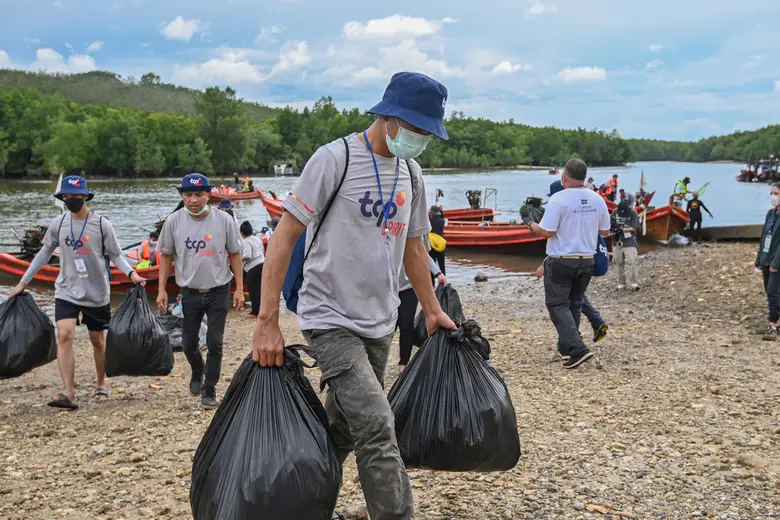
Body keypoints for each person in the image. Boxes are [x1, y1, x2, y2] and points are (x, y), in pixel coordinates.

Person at [251, 71, 457, 520]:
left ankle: (298, 501)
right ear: (388, 116)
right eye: (415, 128)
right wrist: (266, 321)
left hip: (381, 320)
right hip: (329, 317)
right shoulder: (335, 159)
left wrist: (432, 310)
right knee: (378, 425)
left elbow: (415, 249)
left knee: (344, 427)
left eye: (427, 132)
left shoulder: (412, 173)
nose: (420, 138)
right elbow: (283, 238)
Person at [8, 176, 146, 410]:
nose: (71, 199)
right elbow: (44, 252)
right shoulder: (59, 223)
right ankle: (69, 393)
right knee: (64, 335)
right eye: (67, 196)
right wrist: (23, 282)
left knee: (97, 340)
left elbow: (115, 254)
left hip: (96, 292)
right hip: (66, 290)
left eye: (75, 196)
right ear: (62, 197)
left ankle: (101, 384)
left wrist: (132, 274)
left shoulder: (101, 225)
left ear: (85, 196)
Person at [156, 173, 245, 410]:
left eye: (198, 194)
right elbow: (166, 256)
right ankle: (198, 369)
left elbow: (235, 255)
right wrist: (161, 289)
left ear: (208, 195)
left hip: (218, 290)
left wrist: (239, 289)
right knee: (188, 343)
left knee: (215, 342)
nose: (193, 200)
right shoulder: (174, 221)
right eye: (188, 195)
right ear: (182, 196)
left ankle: (210, 388)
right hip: (190, 291)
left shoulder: (224, 220)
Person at [523, 159, 610, 369]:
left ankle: (577, 349)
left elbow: (547, 232)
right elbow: (605, 231)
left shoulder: (558, 199)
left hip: (561, 259)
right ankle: (566, 349)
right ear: (584, 177)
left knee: (557, 305)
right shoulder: (597, 198)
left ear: (564, 177)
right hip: (587, 259)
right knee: (575, 304)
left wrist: (529, 222)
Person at [535, 180, 609, 345]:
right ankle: (590, 325)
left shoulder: (561, 206)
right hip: (586, 260)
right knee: (575, 298)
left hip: (567, 261)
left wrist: (531, 223)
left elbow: (563, 243)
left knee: (562, 302)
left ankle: (574, 341)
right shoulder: (583, 206)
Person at [397, 236, 447, 373]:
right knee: (387, 328)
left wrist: (438, 273)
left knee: (406, 325)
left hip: (409, 287)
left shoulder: (413, 233)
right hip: (387, 288)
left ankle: (403, 363)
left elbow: (421, 253)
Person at [756, 183, 780, 339]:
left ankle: (773, 322)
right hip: (766, 257)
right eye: (771, 193)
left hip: (777, 260)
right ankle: (777, 321)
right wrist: (759, 258)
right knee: (768, 289)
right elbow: (764, 237)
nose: (773, 196)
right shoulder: (771, 214)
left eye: (776, 193)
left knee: (773, 290)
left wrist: (775, 263)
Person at [611, 199, 641, 291]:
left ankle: (634, 282)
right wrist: (614, 229)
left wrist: (622, 229)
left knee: (631, 261)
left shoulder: (633, 213)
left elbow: (633, 227)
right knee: (619, 262)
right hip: (616, 240)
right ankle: (622, 283)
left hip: (629, 240)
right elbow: (611, 224)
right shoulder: (615, 212)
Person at [240, 221, 265, 318]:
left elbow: (247, 255)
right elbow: (262, 251)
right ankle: (263, 309)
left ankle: (255, 312)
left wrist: (238, 260)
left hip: (253, 267)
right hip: (262, 263)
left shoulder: (245, 241)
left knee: (253, 290)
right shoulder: (257, 239)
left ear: (242, 233)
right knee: (260, 288)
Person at [428, 204, 446, 279]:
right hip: (441, 245)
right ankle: (444, 281)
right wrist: (441, 212)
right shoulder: (442, 221)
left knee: (432, 263)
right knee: (442, 264)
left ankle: (432, 283)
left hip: (432, 244)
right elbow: (442, 217)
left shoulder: (429, 221)